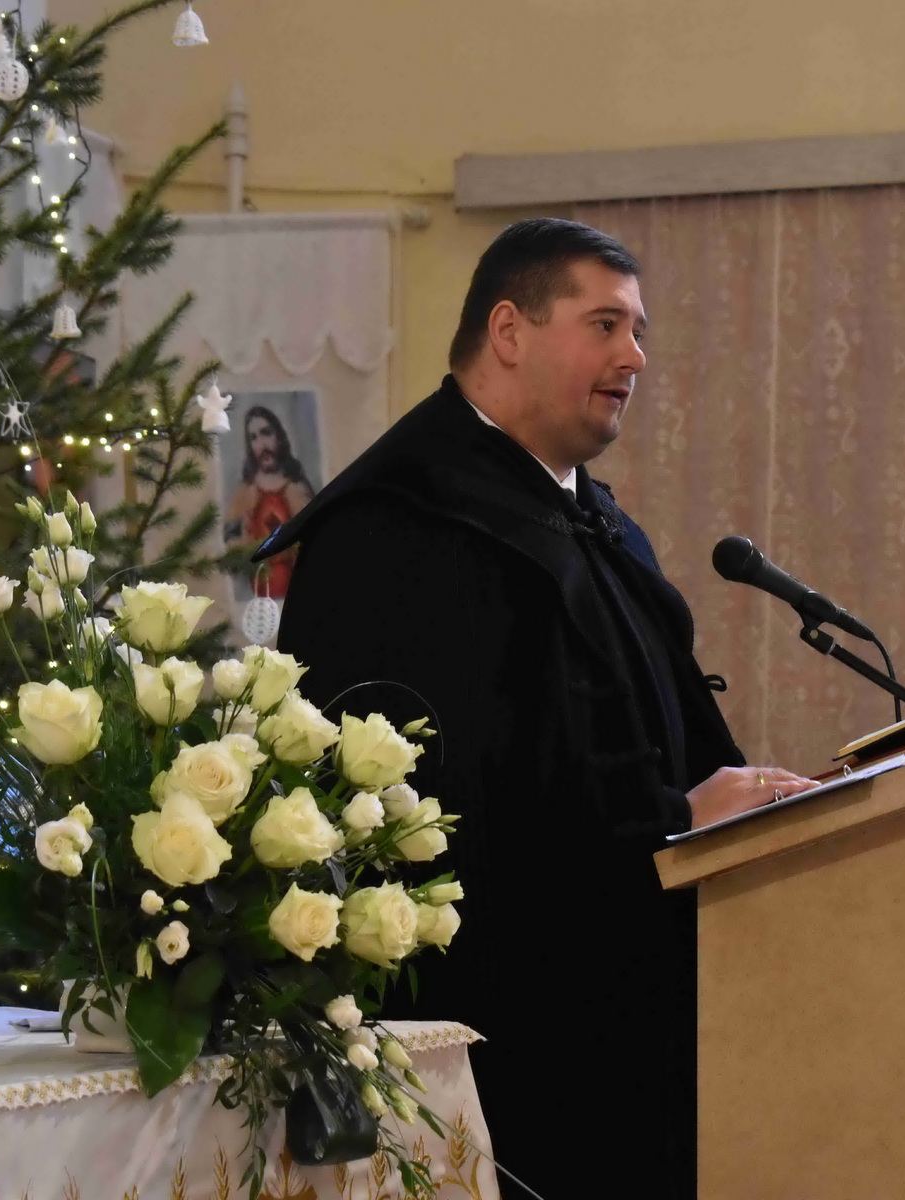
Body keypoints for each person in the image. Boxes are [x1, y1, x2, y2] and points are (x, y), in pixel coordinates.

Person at [255, 218, 818, 1199]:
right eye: (605, 325)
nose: (634, 356)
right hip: (515, 1041)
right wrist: (678, 820)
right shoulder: (401, 530)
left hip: (638, 1011)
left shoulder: (593, 524)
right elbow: (449, 807)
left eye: (638, 330)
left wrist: (746, 808)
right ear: (509, 330)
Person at [224, 405, 316, 598]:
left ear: (279, 437)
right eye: (254, 438)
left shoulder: (298, 488)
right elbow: (230, 541)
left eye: (266, 433)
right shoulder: (244, 492)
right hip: (258, 593)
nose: (262, 444)